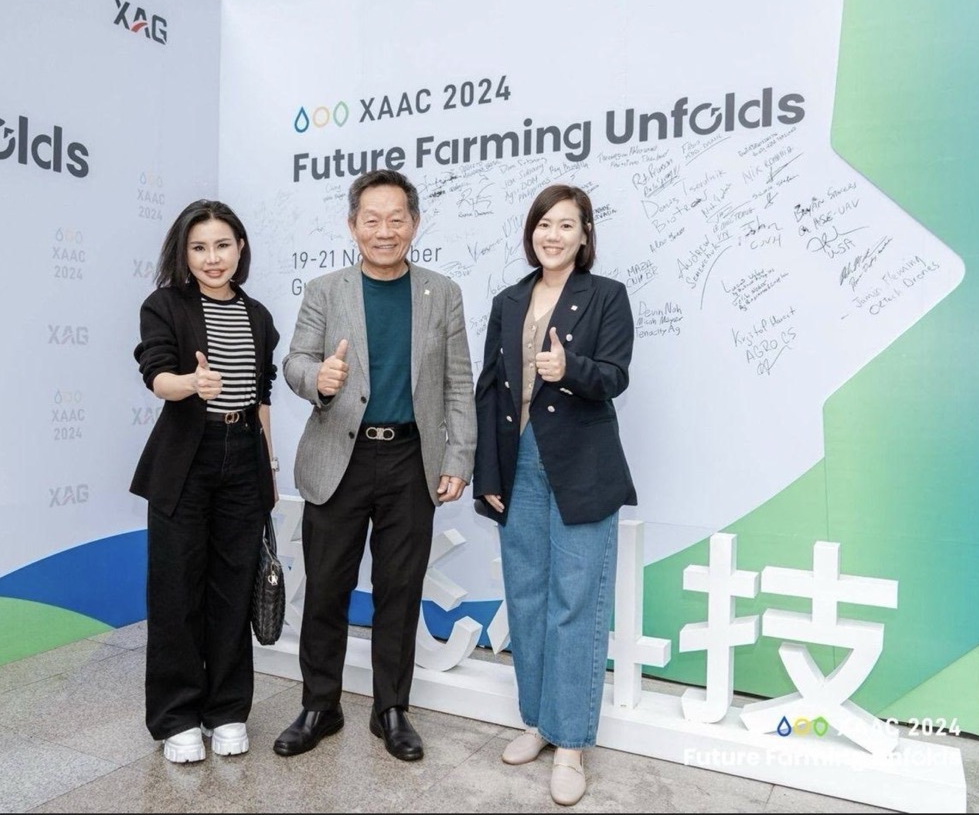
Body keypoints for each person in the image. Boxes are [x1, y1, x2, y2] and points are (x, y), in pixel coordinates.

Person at [274, 169, 476, 762]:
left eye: (396, 219)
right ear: (352, 225)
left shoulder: (443, 292)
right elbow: (295, 362)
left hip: (412, 458)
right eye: (371, 219)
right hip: (340, 455)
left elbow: (458, 383)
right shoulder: (325, 290)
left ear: (414, 223)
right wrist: (319, 378)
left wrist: (459, 456)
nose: (384, 231)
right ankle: (320, 705)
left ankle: (391, 709)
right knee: (325, 588)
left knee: (400, 591)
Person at [472, 183, 636, 805]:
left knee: (575, 602)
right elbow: (490, 389)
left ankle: (570, 742)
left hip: (581, 465)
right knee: (528, 597)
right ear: (531, 231)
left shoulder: (607, 296)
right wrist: (488, 473)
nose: (554, 235)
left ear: (585, 234)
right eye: (544, 224)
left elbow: (615, 376)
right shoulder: (509, 300)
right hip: (516, 461)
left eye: (567, 225)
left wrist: (572, 371)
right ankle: (538, 723)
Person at [129, 199, 281, 764]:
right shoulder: (164, 305)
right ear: (183, 253)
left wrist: (267, 468)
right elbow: (157, 377)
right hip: (186, 459)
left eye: (221, 245)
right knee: (176, 590)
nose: (212, 258)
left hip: (244, 457)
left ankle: (227, 710)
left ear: (240, 248)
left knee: (233, 588)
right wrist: (190, 383)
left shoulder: (258, 315)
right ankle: (176, 717)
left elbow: (261, 397)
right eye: (199, 247)